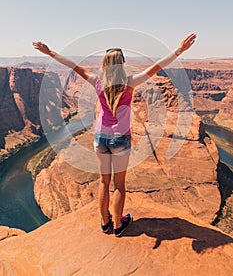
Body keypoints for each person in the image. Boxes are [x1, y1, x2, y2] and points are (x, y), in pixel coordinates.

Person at [32, 32, 196, 237]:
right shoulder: (131, 81)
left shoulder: (96, 81)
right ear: (122, 64)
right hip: (120, 138)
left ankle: (104, 222)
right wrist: (180, 50)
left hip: (100, 137)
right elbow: (158, 66)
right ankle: (118, 225)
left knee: (103, 182)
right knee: (119, 185)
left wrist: (50, 53)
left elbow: (72, 66)